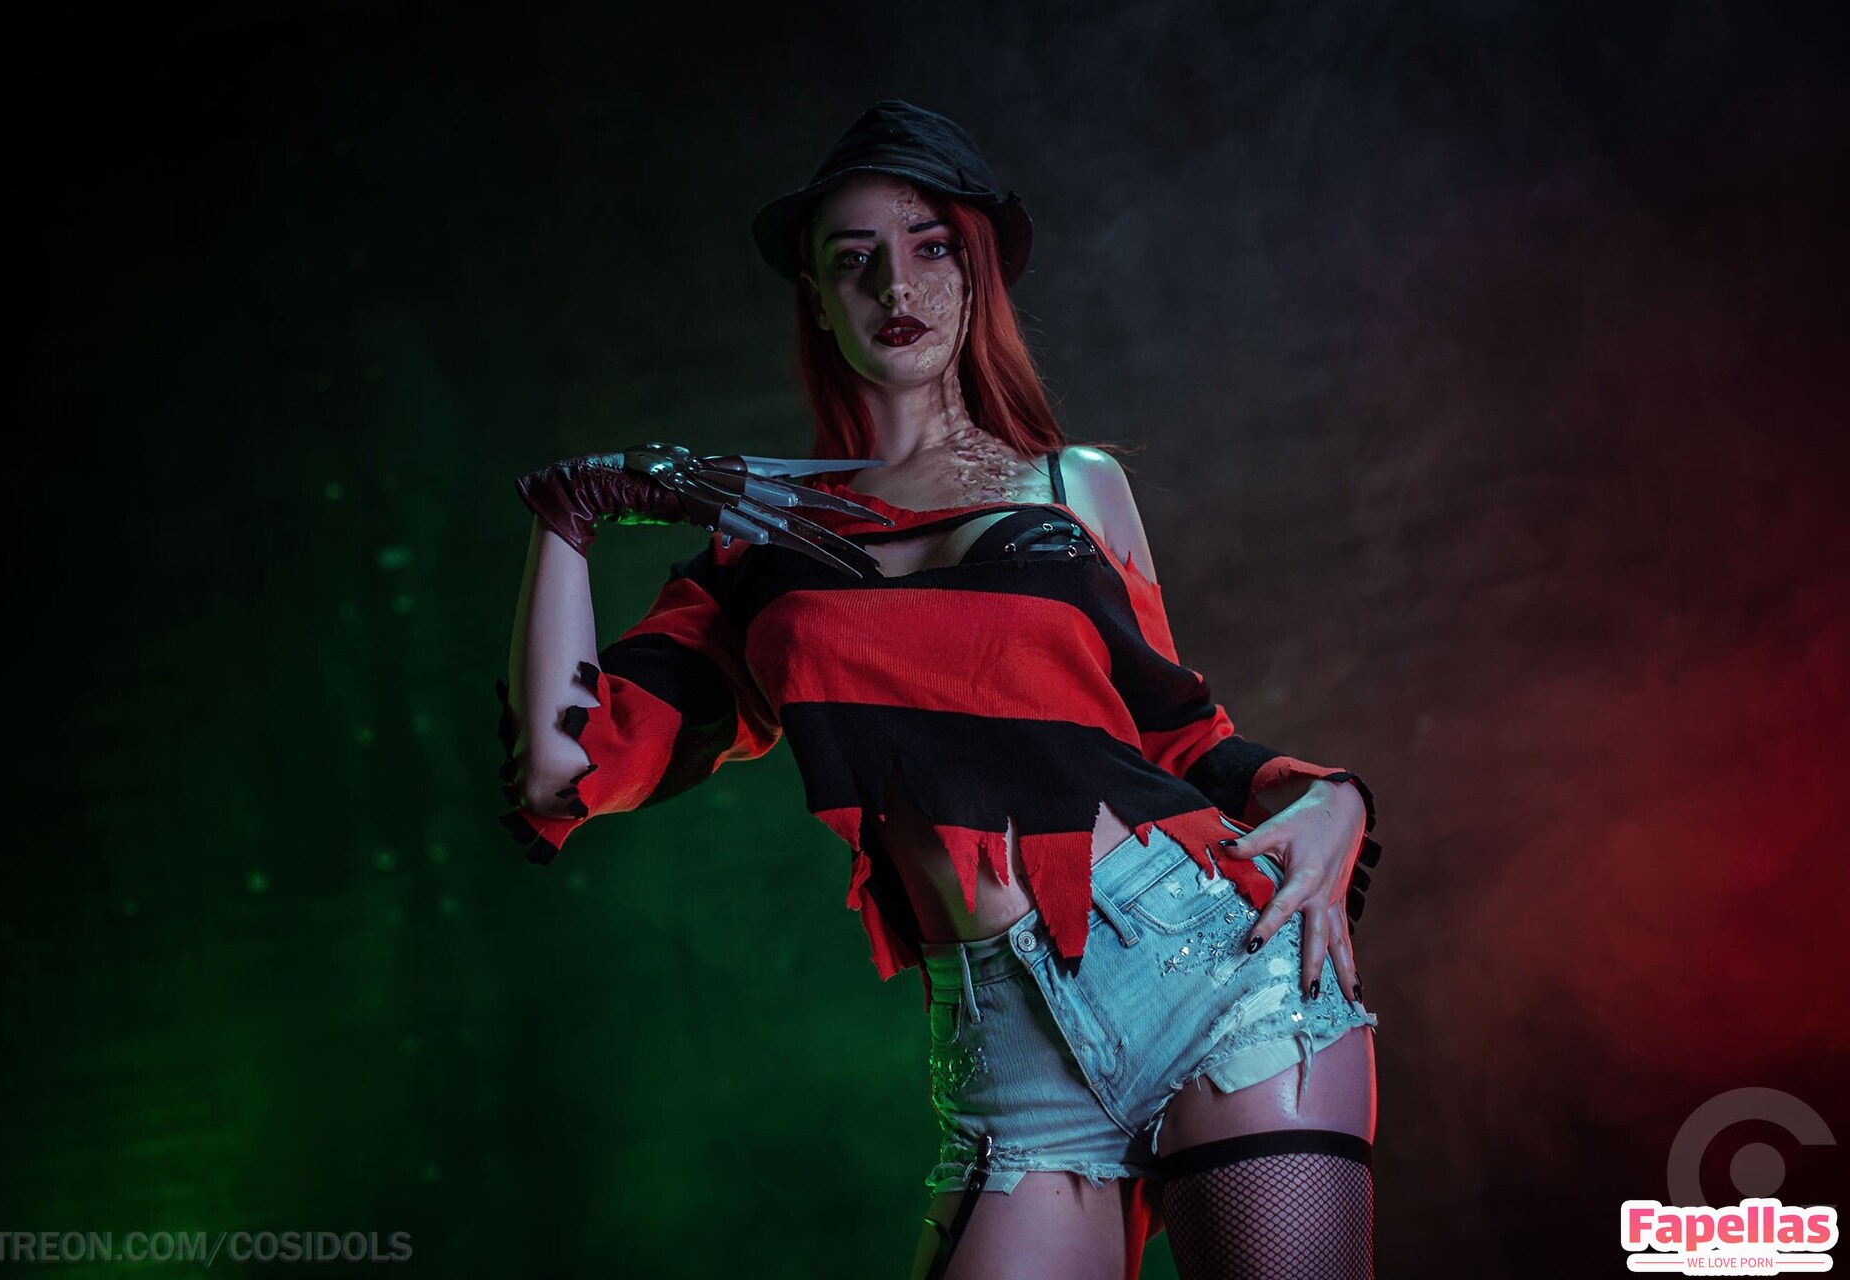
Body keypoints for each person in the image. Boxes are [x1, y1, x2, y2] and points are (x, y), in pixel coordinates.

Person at [496, 101, 1386, 1280]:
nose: (893, 284)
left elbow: (1177, 732)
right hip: (1003, 1046)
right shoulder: (755, 551)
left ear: (975, 275)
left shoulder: (1074, 485)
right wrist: (572, 515)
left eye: (929, 247)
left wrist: (1330, 795)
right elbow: (561, 765)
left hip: (1205, 970)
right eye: (852, 259)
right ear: (816, 296)